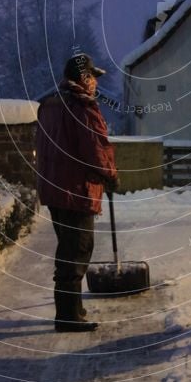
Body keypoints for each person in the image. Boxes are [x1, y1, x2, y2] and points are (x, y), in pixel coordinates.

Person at [35, 52, 118, 332]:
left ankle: (72, 309)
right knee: (76, 252)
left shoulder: (48, 105)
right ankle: (68, 316)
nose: (95, 83)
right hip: (75, 191)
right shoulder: (82, 106)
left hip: (54, 189)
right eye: (93, 77)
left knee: (68, 249)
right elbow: (95, 148)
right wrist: (110, 176)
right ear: (83, 78)